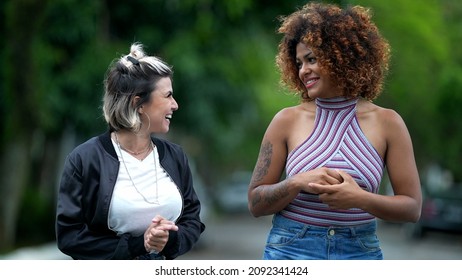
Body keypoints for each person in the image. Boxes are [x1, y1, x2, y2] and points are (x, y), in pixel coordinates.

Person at [248, 2, 422, 260]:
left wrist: (359, 198)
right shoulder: (286, 120)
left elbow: (412, 208)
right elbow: (255, 203)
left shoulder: (388, 123)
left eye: (312, 59)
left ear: (342, 57)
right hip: (292, 249)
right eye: (298, 62)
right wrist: (297, 181)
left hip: (359, 252)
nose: (303, 70)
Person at [56, 42, 205, 260]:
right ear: (139, 103)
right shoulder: (84, 159)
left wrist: (168, 240)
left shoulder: (175, 156)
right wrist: (138, 245)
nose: (175, 105)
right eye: (168, 96)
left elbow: (192, 220)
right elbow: (69, 236)